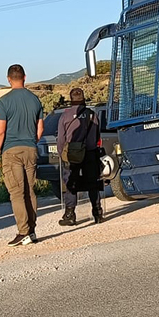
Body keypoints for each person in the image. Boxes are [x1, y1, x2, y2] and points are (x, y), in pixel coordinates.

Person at [0, 64, 43, 247]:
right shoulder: (35, 100)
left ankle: (23, 231)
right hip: (30, 148)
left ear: (8, 79)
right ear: (25, 77)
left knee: (16, 193)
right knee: (30, 190)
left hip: (12, 151)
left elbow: (0, 131)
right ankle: (32, 229)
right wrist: (31, 141)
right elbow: (40, 129)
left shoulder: (4, 101)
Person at [57, 88, 104, 226]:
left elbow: (61, 138)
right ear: (83, 98)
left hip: (72, 154)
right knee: (92, 183)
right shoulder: (91, 114)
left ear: (71, 99)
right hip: (90, 152)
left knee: (71, 184)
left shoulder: (65, 116)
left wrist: (62, 155)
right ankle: (97, 213)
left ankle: (70, 215)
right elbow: (97, 136)